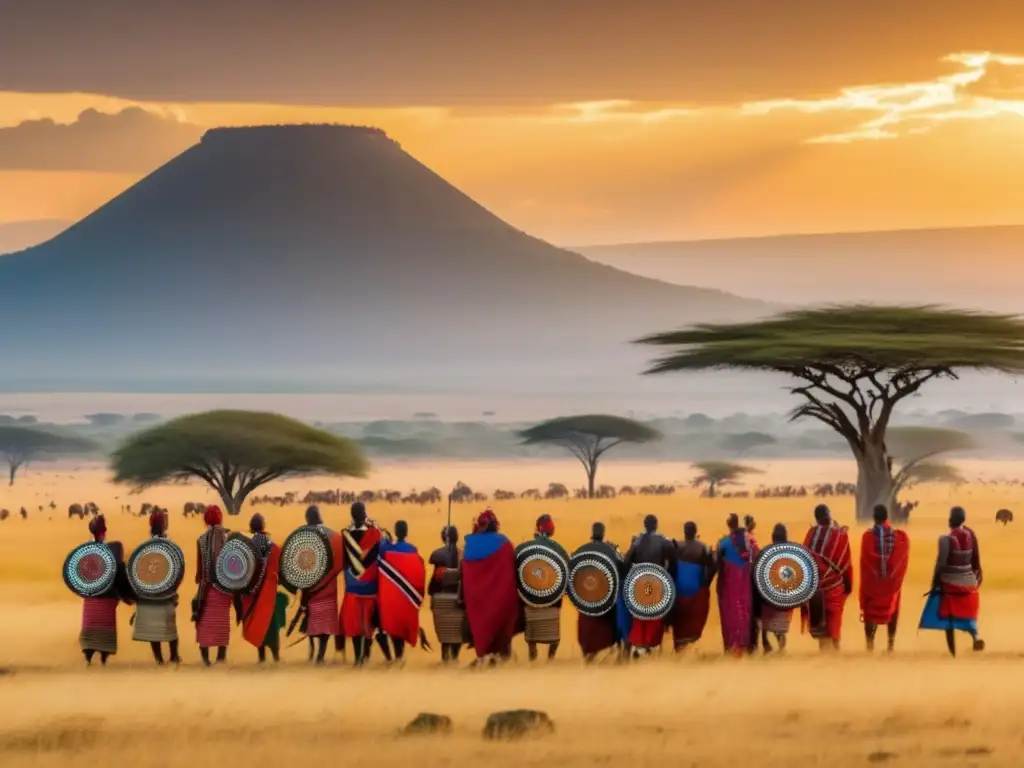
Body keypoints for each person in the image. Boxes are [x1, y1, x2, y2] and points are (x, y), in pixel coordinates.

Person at [919, 506, 985, 656]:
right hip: (970, 584)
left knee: (949, 618)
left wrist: (935, 583)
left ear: (950, 520)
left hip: (951, 584)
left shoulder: (946, 539)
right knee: (968, 616)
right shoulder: (971, 535)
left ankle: (953, 653)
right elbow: (976, 561)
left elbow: (941, 564)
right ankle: (975, 637)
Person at [461, 508, 520, 665]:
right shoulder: (505, 544)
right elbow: (512, 569)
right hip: (502, 597)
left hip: (477, 600)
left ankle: (484, 656)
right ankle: (501, 656)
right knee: (504, 623)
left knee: (482, 627)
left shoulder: (470, 545)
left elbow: (466, 573)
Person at [79, 515, 132, 665]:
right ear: (103, 532)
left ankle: (88, 656)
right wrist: (126, 596)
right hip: (108, 598)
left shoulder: (85, 553)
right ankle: (103, 658)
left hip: (91, 597)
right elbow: (119, 575)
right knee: (105, 627)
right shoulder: (113, 551)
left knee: (90, 625)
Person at [623, 514, 677, 658]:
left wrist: (634, 575)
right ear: (656, 525)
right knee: (655, 615)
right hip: (657, 584)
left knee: (639, 615)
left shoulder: (637, 541)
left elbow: (627, 562)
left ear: (644, 525)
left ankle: (638, 646)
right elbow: (673, 561)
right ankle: (647, 647)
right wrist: (666, 575)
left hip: (639, 583)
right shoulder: (663, 541)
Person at [801, 504, 853, 651]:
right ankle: (835, 647)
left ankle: (824, 651)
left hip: (814, 587)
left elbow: (803, 558)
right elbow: (846, 564)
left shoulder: (811, 533)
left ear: (816, 519)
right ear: (829, 516)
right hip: (833, 587)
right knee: (834, 617)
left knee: (819, 621)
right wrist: (848, 587)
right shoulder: (840, 535)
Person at [133, 509, 181, 665]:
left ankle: (159, 658)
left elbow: (137, 571)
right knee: (170, 626)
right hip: (166, 593)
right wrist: (173, 590)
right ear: (164, 525)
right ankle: (173, 656)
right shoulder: (170, 546)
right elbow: (177, 570)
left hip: (148, 593)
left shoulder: (144, 547)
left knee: (154, 628)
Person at [860, 504, 910, 653]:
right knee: (894, 607)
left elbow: (865, 563)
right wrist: (893, 577)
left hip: (872, 584)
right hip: (891, 583)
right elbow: (902, 559)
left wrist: (871, 579)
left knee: (869, 612)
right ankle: (890, 645)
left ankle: (870, 645)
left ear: (874, 518)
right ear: (886, 517)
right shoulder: (899, 537)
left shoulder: (867, 537)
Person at [377, 520, 427, 664]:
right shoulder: (413, 549)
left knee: (390, 624)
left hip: (392, 595)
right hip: (406, 596)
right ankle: (399, 656)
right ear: (406, 533)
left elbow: (380, 551)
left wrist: (384, 538)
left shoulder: (387, 548)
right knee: (401, 625)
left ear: (395, 531)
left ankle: (392, 658)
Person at [241, 513, 289, 663]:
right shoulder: (274, 548)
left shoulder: (246, 547)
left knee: (258, 623)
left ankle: (261, 657)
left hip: (253, 595)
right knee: (271, 625)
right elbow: (281, 573)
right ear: (263, 527)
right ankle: (275, 656)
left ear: (251, 528)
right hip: (270, 594)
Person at [340, 501, 383, 665]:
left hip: (352, 585)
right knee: (368, 622)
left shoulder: (345, 535)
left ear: (352, 515)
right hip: (371, 584)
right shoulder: (374, 534)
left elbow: (344, 561)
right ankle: (366, 655)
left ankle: (358, 657)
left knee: (355, 622)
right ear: (365, 514)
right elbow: (380, 555)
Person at [575, 522, 625, 662]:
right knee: (610, 625)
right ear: (603, 534)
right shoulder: (610, 551)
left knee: (587, 629)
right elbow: (621, 570)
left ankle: (588, 656)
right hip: (606, 601)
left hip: (586, 599)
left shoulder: (582, 550)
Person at [523, 514, 569, 662]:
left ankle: (532, 655)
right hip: (552, 600)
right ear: (551, 530)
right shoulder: (558, 549)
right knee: (553, 633)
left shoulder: (526, 547)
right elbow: (567, 570)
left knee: (531, 633)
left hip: (530, 599)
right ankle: (550, 660)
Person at [301, 505, 343, 664]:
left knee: (312, 617)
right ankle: (321, 654)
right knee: (325, 620)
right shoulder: (333, 536)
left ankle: (312, 649)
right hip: (329, 584)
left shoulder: (302, 536)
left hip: (310, 584)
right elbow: (339, 561)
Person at [194, 505, 232, 665]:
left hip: (207, 589)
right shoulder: (229, 537)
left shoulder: (201, 540)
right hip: (225, 589)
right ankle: (221, 657)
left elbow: (200, 571)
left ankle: (205, 659)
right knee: (222, 622)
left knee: (204, 623)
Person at [716, 513, 758, 655]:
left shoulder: (724, 543)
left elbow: (718, 565)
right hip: (747, 586)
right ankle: (746, 647)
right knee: (746, 614)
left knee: (731, 615)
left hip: (730, 587)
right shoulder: (751, 542)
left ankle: (733, 648)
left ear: (729, 525)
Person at [671, 521, 716, 651]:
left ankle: (678, 648)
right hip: (696, 589)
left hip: (678, 590)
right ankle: (689, 645)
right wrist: (705, 583)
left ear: (684, 532)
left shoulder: (676, 546)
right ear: (696, 532)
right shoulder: (703, 548)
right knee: (693, 618)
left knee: (679, 619)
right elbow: (713, 566)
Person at [428, 525, 468, 663]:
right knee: (457, 634)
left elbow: (431, 588)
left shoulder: (438, 558)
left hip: (441, 601)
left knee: (445, 636)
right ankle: (454, 658)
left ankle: (445, 659)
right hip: (459, 600)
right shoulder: (464, 556)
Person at [759, 524, 794, 653]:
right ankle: (781, 648)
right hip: (785, 595)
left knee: (766, 623)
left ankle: (766, 644)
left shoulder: (765, 551)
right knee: (780, 628)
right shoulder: (791, 552)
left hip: (768, 595)